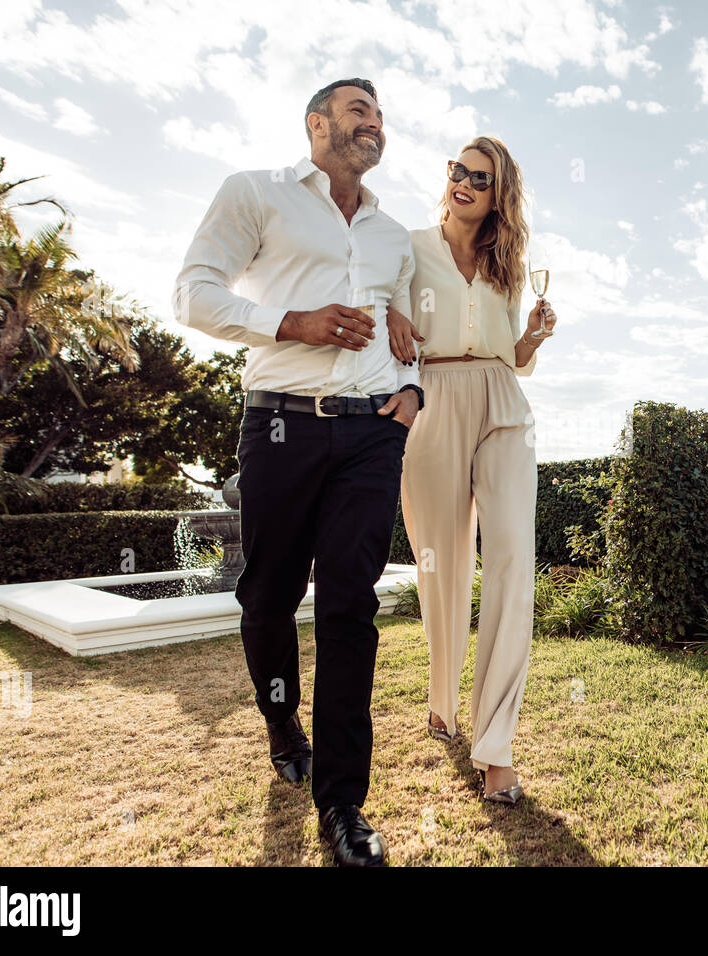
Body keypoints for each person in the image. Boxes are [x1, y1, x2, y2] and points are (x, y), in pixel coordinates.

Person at [173, 78, 423, 867]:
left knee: (352, 607)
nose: (374, 125)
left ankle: (344, 803)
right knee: (270, 595)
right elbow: (193, 293)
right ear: (317, 124)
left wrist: (414, 391)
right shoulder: (255, 193)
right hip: (279, 424)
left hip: (373, 436)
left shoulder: (393, 236)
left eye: (380, 116)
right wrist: (293, 323)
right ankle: (282, 723)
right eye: (359, 112)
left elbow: (409, 327)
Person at [386, 136, 557, 806]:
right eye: (457, 170)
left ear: (498, 194)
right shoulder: (407, 246)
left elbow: (508, 355)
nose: (462, 182)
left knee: (513, 557)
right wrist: (393, 313)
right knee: (440, 566)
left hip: (502, 402)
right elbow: (387, 316)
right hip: (432, 400)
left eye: (478, 178)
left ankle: (496, 747)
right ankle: (442, 698)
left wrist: (533, 338)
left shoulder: (510, 263)